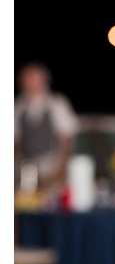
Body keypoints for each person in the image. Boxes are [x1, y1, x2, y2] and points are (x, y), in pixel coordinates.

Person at [14, 62, 77, 191]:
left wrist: (61, 166)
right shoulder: (18, 106)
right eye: (25, 79)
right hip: (26, 166)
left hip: (51, 164)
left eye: (32, 78)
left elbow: (67, 138)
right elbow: (16, 140)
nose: (28, 83)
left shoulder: (57, 103)